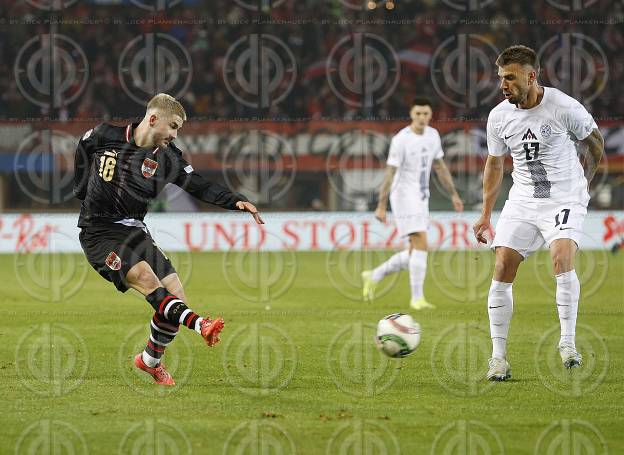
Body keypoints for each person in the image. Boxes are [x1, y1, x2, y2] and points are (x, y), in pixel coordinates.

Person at [74, 93, 263, 385]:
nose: (175, 134)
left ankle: (150, 360)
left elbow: (198, 185)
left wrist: (234, 200)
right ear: (153, 120)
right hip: (99, 232)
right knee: (148, 282)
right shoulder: (105, 135)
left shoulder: (168, 158)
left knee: (176, 298)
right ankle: (201, 325)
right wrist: (81, 188)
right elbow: (83, 147)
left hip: (135, 231)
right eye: (173, 126)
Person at [472, 45, 604, 381]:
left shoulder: (562, 106)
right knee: (502, 265)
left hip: (563, 196)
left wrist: (582, 186)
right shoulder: (499, 116)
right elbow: (494, 163)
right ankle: (498, 358)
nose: (503, 84)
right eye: (501, 77)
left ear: (531, 76)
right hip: (524, 198)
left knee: (561, 258)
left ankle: (568, 344)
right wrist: (486, 214)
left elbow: (595, 142)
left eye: (511, 78)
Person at [362, 97, 464, 310]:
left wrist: (453, 194)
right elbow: (390, 173)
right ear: (411, 114)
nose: (421, 118)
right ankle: (417, 299)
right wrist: (381, 205)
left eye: (425, 114)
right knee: (421, 242)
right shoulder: (401, 139)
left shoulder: (433, 135)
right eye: (417, 113)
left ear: (430, 115)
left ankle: (374, 275)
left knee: (415, 250)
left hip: (421, 196)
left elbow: (440, 167)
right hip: (403, 195)